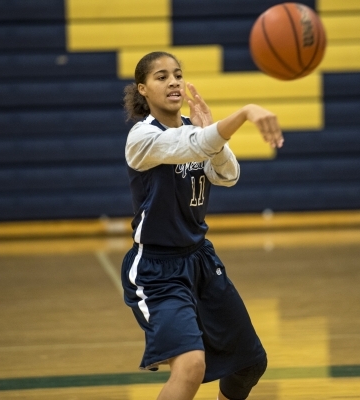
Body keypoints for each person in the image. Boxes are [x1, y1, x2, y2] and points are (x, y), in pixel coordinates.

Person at [120, 51, 283, 400]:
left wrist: (214, 137)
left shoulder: (197, 131)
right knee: (192, 365)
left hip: (200, 261)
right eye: (161, 77)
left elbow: (228, 175)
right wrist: (243, 113)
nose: (173, 81)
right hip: (157, 269)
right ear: (143, 89)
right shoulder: (142, 137)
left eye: (177, 74)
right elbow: (191, 145)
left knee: (250, 363)